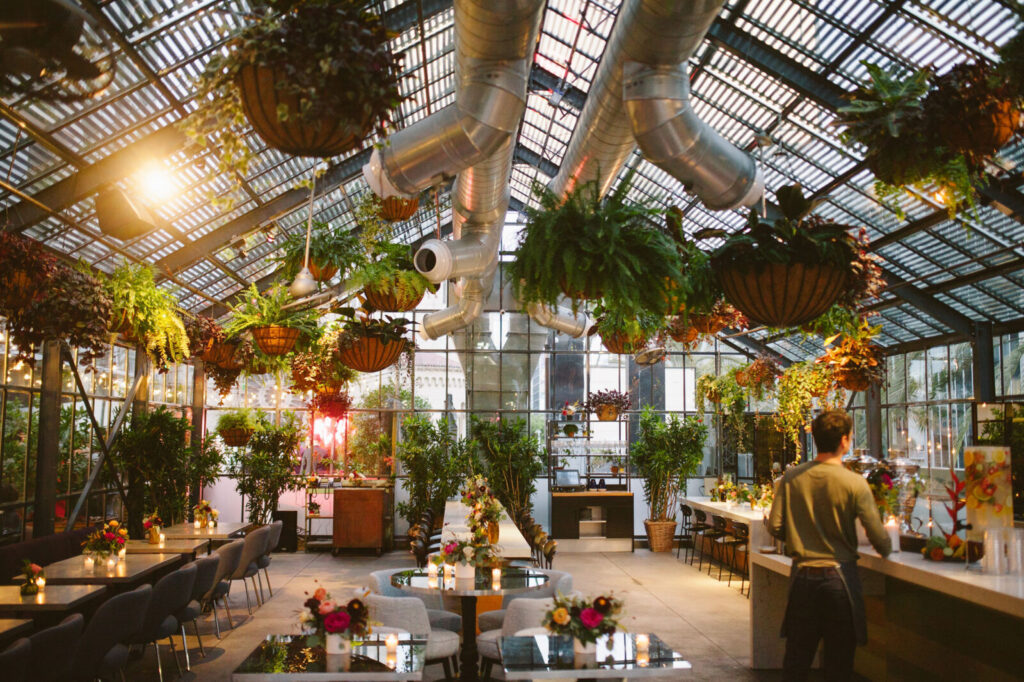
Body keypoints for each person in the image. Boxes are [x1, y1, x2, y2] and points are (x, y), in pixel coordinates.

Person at [768, 410, 892, 681]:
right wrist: (887, 547)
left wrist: (801, 538)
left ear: (815, 439)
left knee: (797, 662)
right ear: (845, 440)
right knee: (838, 665)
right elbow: (879, 538)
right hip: (840, 581)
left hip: (802, 579)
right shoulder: (855, 483)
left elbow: (775, 526)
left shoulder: (792, 478)